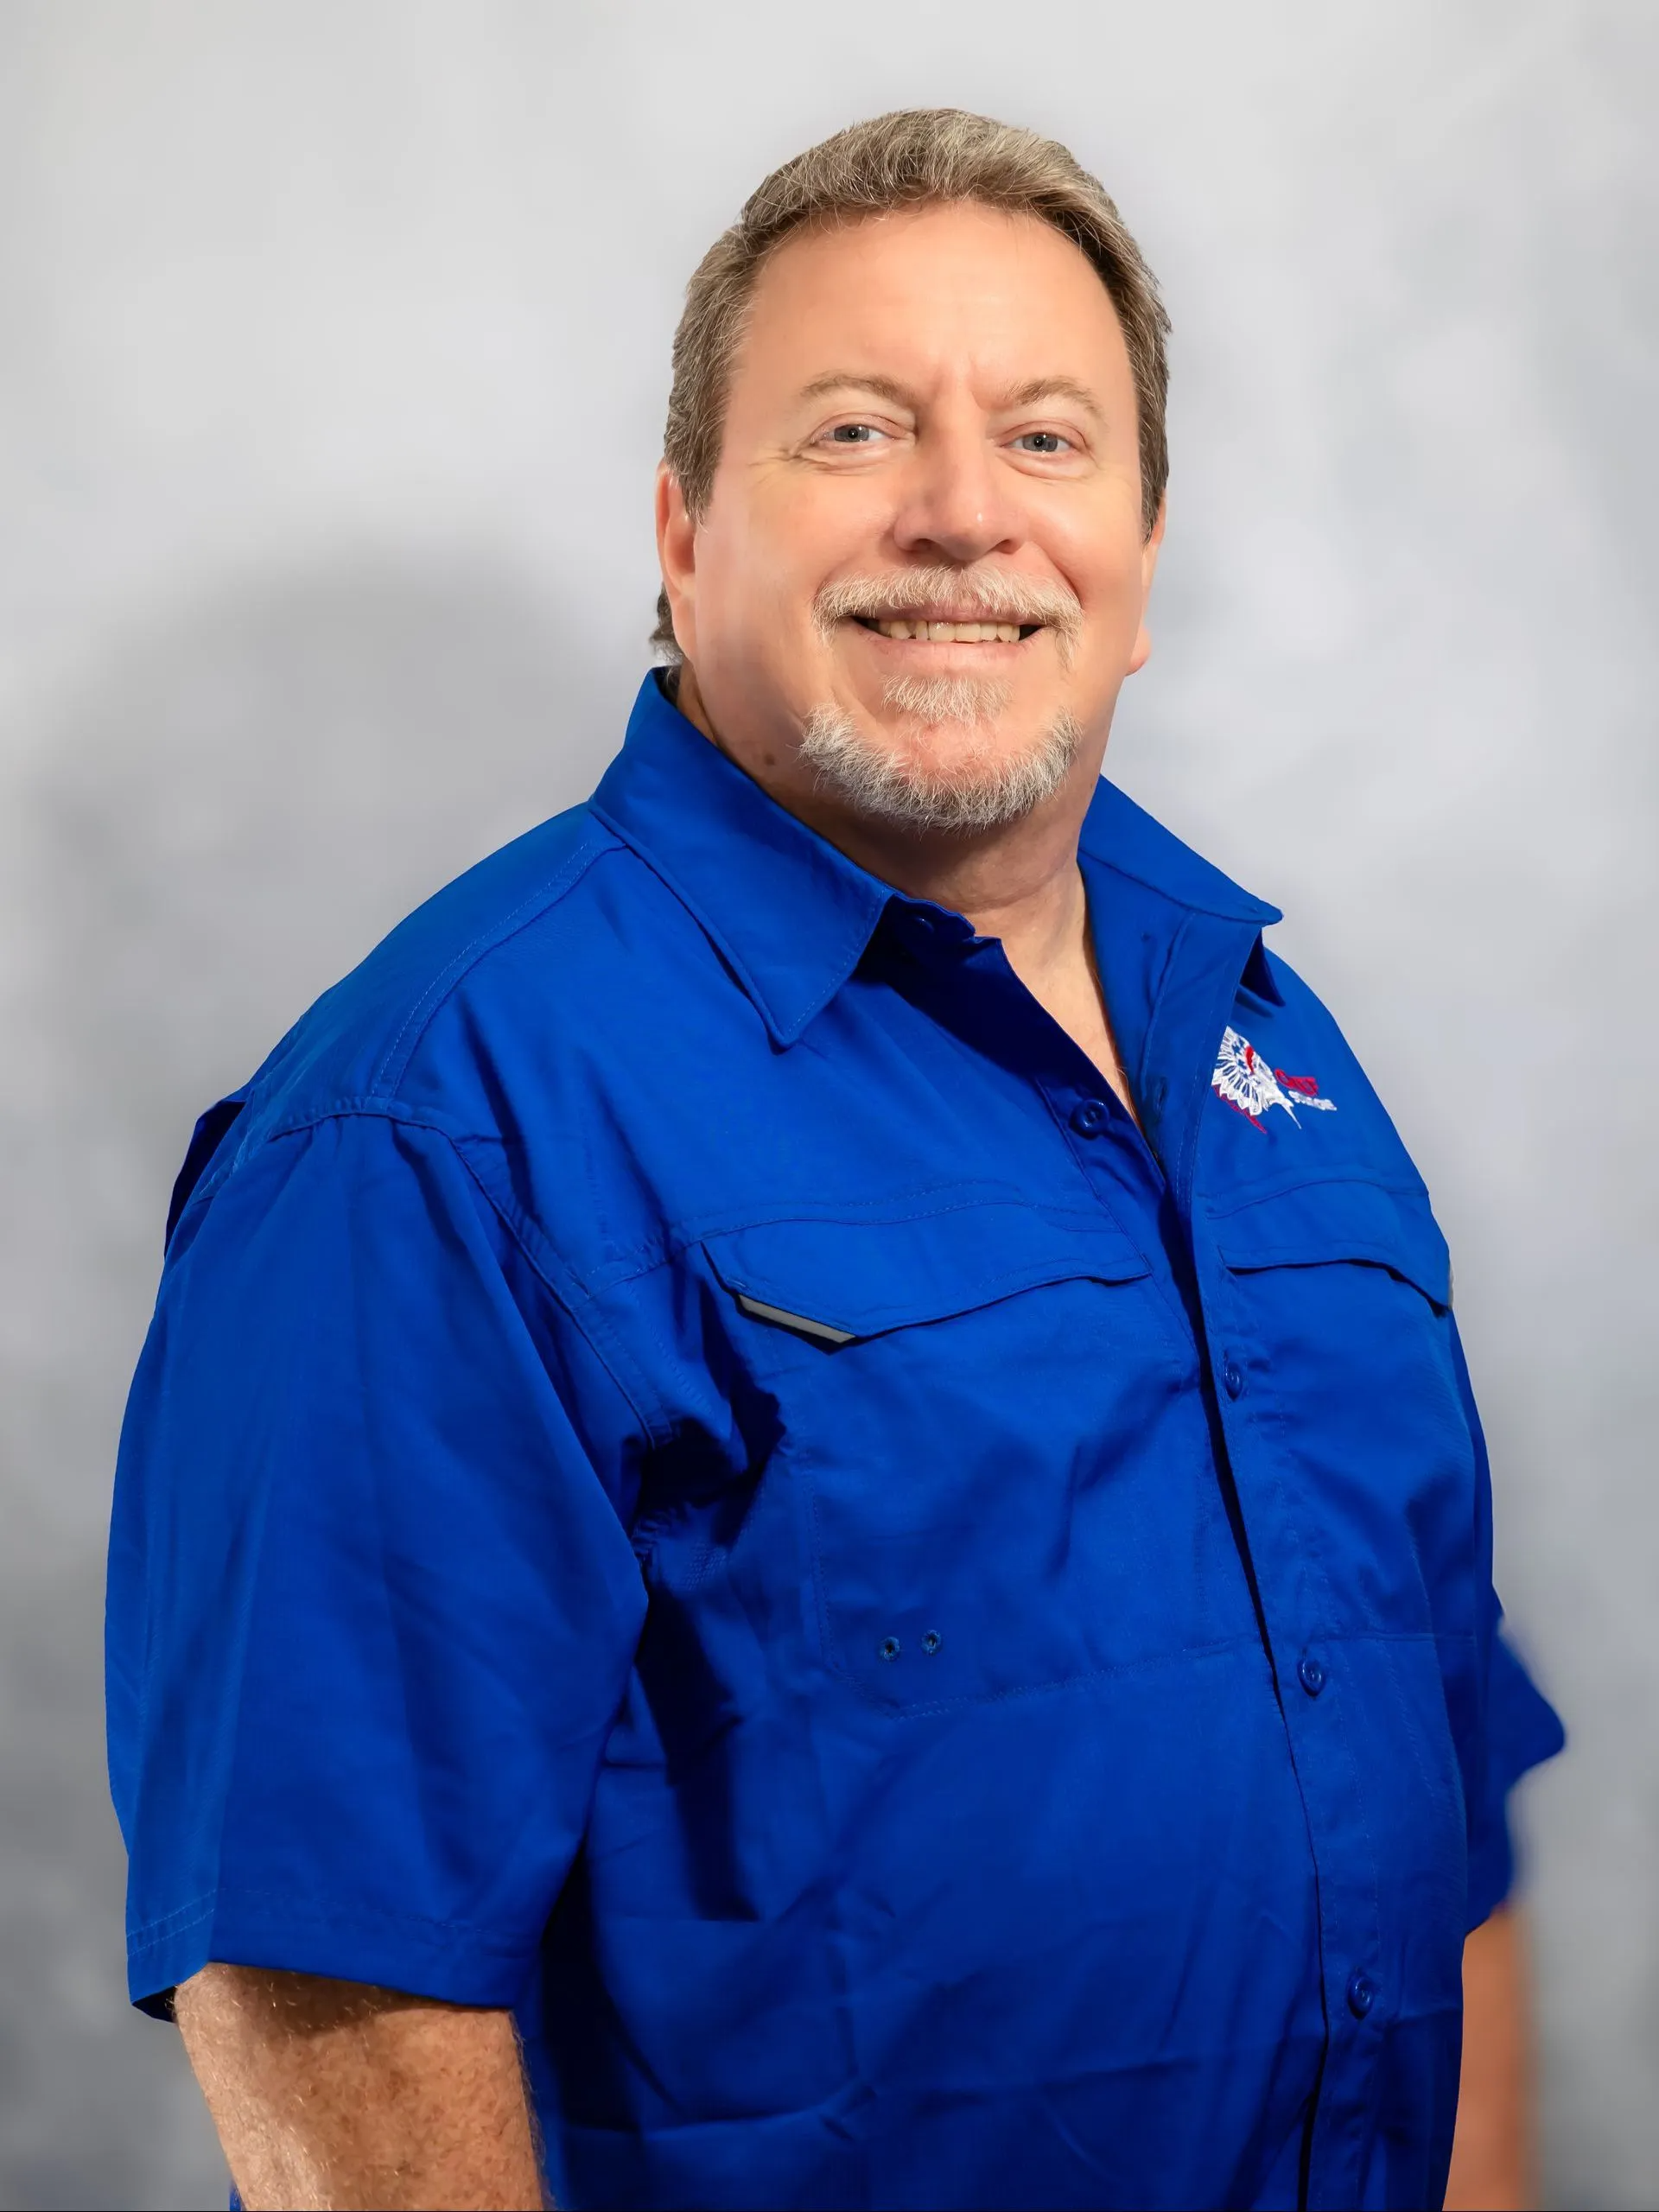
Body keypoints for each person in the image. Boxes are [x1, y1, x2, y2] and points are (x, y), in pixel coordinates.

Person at [106, 109, 1564, 2211]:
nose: (967, 515)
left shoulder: (1269, 1043)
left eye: (1050, 440)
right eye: (860, 430)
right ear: (687, 530)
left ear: (1145, 553)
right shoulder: (433, 1126)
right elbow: (330, 1964)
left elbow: (1443, 1754)